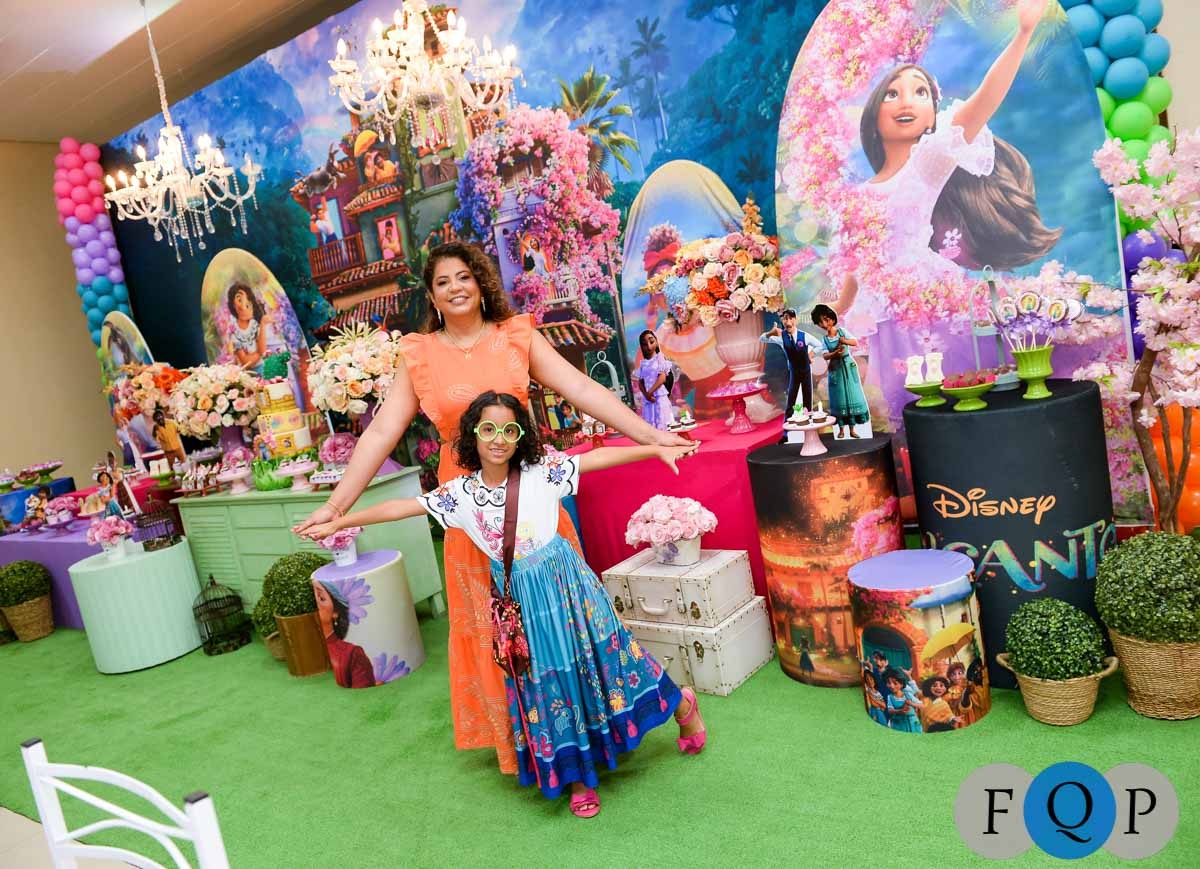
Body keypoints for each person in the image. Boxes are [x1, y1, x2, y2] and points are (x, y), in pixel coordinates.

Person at [292, 241, 692, 775]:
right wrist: (336, 505)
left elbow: (580, 386)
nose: (455, 288)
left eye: (463, 277)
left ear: (480, 283)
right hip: (468, 508)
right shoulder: (419, 354)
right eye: (442, 282)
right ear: (432, 296)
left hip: (528, 500)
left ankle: (593, 730)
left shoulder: (516, 336)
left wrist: (650, 435)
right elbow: (383, 430)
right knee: (498, 627)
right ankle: (527, 742)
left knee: (560, 623)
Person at [302, 391, 706, 817]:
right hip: (521, 602)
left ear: (520, 436)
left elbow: (594, 459)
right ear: (472, 435)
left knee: (611, 658)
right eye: (489, 429)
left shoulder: (541, 472)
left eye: (509, 430)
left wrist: (655, 448)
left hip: (568, 584)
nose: (499, 439)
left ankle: (682, 705)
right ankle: (578, 778)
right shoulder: (460, 495)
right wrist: (340, 518)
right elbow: (400, 507)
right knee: (547, 682)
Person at [834, 0, 1056, 428]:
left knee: (964, 413)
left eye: (920, 92)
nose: (907, 101)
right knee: (906, 424)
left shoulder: (928, 162)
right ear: (874, 113)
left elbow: (983, 102)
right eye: (893, 93)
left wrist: (1023, 34)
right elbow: (850, 276)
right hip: (882, 324)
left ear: (933, 113)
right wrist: (830, 325)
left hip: (932, 307)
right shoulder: (854, 197)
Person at [812, 304, 869, 439]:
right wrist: (834, 353)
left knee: (852, 395)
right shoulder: (825, 339)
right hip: (835, 369)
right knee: (839, 397)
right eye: (820, 322)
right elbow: (825, 355)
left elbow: (854, 342)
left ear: (832, 318)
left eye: (826, 320)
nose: (824, 324)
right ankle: (841, 430)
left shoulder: (842, 332)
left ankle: (852, 429)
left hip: (848, 366)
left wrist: (844, 341)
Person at [313, 579, 376, 689]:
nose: (315, 604)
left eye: (321, 598)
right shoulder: (307, 648)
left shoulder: (352, 653)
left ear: (335, 612)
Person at [636, 330, 676, 431]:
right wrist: (646, 395)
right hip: (648, 400)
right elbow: (640, 383)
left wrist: (650, 392)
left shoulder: (660, 358)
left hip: (659, 396)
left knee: (662, 419)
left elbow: (662, 378)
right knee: (650, 422)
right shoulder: (643, 363)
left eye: (651, 342)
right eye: (645, 344)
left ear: (656, 342)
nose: (649, 346)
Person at [227, 283, 268, 375]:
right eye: (239, 300)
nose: (244, 307)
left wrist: (259, 352)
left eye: (248, 304)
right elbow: (245, 362)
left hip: (263, 369)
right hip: (246, 374)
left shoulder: (255, 325)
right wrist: (259, 352)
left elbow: (263, 350)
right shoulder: (234, 332)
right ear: (233, 305)